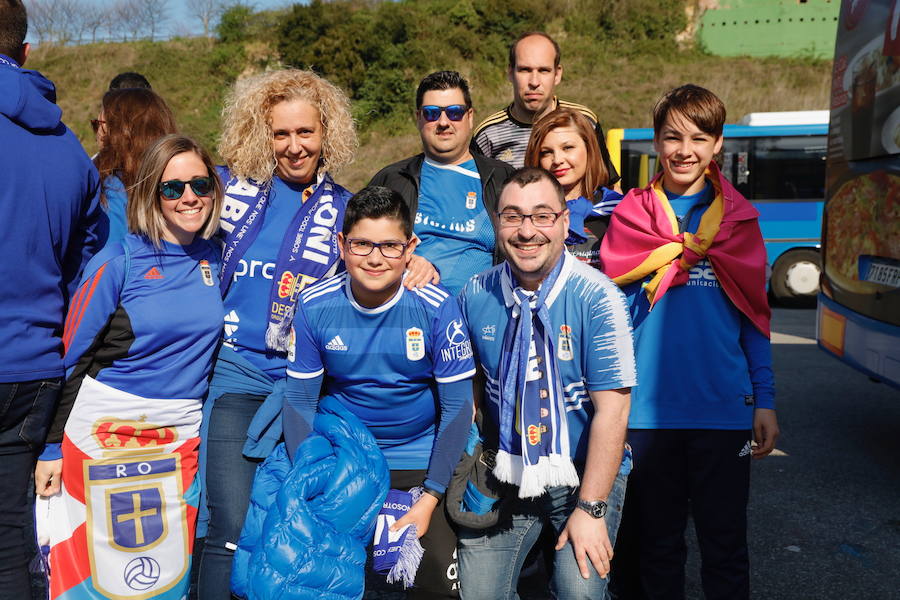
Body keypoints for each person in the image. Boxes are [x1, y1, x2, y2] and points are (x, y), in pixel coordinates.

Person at [197, 69, 437, 598]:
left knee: (298, 526)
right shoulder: (229, 192)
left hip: (309, 388)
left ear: (326, 132)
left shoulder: (343, 209)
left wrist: (421, 266)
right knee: (231, 528)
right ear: (263, 136)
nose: (294, 145)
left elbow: (381, 255)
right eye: (281, 134)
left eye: (305, 132)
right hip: (238, 377)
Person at [599, 85, 779, 600]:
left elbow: (754, 319)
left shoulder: (739, 221)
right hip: (646, 415)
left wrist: (763, 399)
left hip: (723, 413)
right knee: (656, 548)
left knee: (726, 549)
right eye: (672, 136)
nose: (685, 149)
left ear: (718, 144)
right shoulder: (631, 217)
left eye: (699, 137)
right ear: (655, 142)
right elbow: (611, 320)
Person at [34, 134, 225, 600]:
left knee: (162, 573)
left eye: (200, 185)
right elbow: (73, 359)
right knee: (88, 576)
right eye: (172, 188)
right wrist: (49, 447)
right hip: (100, 435)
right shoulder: (117, 261)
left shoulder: (221, 256)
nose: (188, 198)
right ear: (149, 194)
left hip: (177, 439)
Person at [282, 186, 475, 599]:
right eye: (362, 244)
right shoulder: (315, 305)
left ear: (410, 248)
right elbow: (299, 402)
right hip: (348, 460)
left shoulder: (438, 307)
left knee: (436, 585)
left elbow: (459, 409)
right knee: (339, 583)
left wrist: (430, 496)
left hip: (419, 461)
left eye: (389, 245)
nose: (374, 257)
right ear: (341, 245)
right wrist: (315, 475)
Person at [457, 167, 636, 600]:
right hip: (506, 467)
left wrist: (591, 509)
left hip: (581, 471)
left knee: (579, 592)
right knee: (479, 593)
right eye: (513, 216)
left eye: (541, 216)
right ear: (496, 222)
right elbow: (469, 386)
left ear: (564, 221)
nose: (526, 231)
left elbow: (614, 410)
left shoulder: (598, 296)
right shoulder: (474, 293)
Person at [0, 1, 101, 596]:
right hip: (36, 370)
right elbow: (83, 269)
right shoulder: (68, 150)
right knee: (12, 544)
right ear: (26, 52)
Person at [369, 70, 514, 295]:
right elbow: (362, 245)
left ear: (470, 116)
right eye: (432, 113)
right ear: (418, 118)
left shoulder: (504, 179)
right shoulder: (391, 180)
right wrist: (405, 259)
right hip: (409, 312)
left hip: (485, 314)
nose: (443, 122)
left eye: (455, 113)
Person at [471, 31, 618, 184]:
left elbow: (608, 184)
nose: (534, 81)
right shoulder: (487, 134)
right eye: (525, 70)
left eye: (543, 70)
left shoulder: (585, 120)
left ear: (557, 74)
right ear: (510, 73)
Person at [525, 107, 623, 269]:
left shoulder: (620, 211)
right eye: (546, 152)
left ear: (589, 149)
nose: (557, 159)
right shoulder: (525, 215)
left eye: (567, 148)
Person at [93, 87, 178, 246]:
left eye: (97, 124)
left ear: (119, 133)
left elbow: (110, 256)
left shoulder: (112, 188)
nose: (97, 133)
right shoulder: (181, 180)